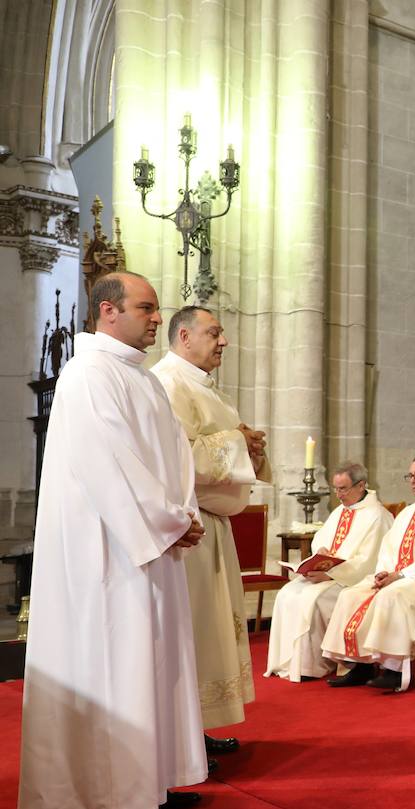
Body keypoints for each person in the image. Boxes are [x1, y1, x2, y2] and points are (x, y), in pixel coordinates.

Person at [18, 272, 207, 809]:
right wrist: (171, 520)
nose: (156, 319)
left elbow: (175, 457)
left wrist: (185, 513)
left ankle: (148, 785)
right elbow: (109, 462)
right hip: (107, 549)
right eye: (146, 309)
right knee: (114, 660)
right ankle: (105, 802)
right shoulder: (87, 375)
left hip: (150, 541)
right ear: (107, 311)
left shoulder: (142, 381)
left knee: (148, 662)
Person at [152, 306, 272, 757]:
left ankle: (196, 732)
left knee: (211, 636)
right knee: (195, 636)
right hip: (191, 531)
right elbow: (175, 454)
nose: (223, 342)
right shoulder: (168, 381)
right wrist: (239, 441)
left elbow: (219, 445)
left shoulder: (203, 385)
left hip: (214, 530)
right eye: (214, 333)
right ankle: (183, 741)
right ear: (184, 336)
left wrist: (249, 444)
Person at [321, 454, 415, 691]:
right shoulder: (407, 513)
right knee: (352, 594)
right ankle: (361, 666)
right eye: (410, 476)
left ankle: (394, 670)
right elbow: (388, 548)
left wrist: (401, 575)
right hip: (401, 578)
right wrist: (385, 572)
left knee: (391, 597)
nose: (413, 480)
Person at [263, 462, 392, 682]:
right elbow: (322, 542)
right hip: (329, 574)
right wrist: (319, 554)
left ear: (361, 486)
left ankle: (312, 666)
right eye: (336, 488)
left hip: (351, 580)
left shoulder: (377, 516)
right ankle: (287, 662)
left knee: (313, 600)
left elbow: (369, 560)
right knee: (287, 593)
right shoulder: (339, 512)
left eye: (343, 489)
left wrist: (332, 574)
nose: (338, 494)